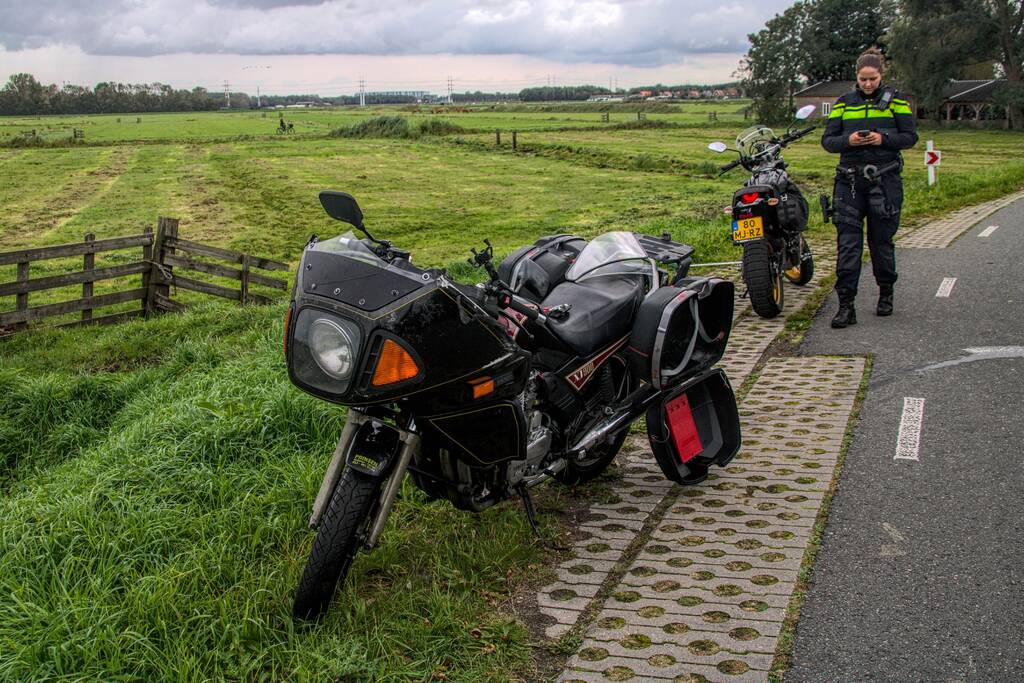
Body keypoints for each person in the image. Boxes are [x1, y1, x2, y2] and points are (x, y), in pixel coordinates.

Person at [821, 48, 918, 328]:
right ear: (856, 77)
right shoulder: (842, 103)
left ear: (881, 76)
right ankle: (846, 306)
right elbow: (828, 142)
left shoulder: (896, 102)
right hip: (849, 182)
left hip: (884, 181)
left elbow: (910, 137)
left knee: (881, 243)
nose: (867, 84)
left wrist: (881, 139)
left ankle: (886, 293)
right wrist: (849, 141)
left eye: (872, 79)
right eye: (863, 79)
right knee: (848, 246)